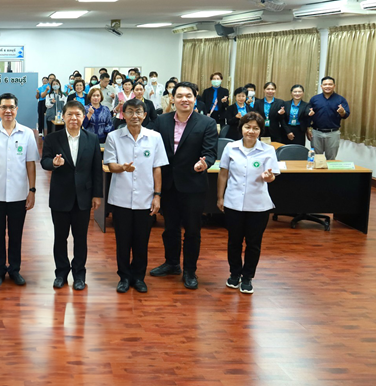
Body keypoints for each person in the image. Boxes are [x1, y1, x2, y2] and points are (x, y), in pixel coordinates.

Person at [150, 82, 218, 290]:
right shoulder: (161, 121)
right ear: (172, 99)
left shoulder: (207, 123)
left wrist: (204, 163)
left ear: (195, 99)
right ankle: (172, 263)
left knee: (192, 230)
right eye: (179, 96)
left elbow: (210, 152)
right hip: (168, 184)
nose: (184, 99)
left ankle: (190, 270)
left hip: (193, 185)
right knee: (170, 228)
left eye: (188, 96)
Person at [103, 98, 168, 293]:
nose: (134, 116)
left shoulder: (154, 137)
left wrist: (157, 195)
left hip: (145, 198)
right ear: (123, 114)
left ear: (145, 115)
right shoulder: (113, 137)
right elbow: (110, 165)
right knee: (122, 241)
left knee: (141, 241)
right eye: (130, 111)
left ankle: (139, 277)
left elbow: (157, 168)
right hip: (120, 198)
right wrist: (122, 167)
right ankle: (124, 277)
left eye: (138, 112)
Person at [40, 100, 103, 291]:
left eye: (78, 114)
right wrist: (54, 163)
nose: (74, 118)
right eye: (70, 114)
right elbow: (44, 161)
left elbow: (96, 169)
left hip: (83, 197)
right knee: (60, 238)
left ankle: (79, 274)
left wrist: (97, 195)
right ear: (63, 116)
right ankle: (61, 274)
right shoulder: (52, 138)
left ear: (83, 117)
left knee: (80, 238)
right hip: (60, 196)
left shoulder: (92, 139)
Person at [216, 112, 279, 294]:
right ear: (241, 128)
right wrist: (220, 197)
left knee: (253, 243)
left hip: (258, 204)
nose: (251, 131)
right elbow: (223, 173)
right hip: (233, 202)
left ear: (260, 131)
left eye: (255, 128)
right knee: (234, 241)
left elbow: (272, 177)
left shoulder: (268, 150)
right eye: (247, 127)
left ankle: (247, 277)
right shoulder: (231, 147)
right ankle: (234, 274)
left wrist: (268, 177)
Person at [0, 93, 39, 287]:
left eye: (11, 107)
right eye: (4, 107)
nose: (8, 111)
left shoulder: (27, 133)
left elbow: (30, 163)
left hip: (18, 194)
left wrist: (32, 190)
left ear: (16, 109)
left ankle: (15, 269)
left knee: (16, 234)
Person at [309, 76, 350, 160]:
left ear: (334, 86)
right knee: (316, 158)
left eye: (330, 84)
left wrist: (342, 112)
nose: (327, 86)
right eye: (325, 84)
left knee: (331, 159)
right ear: (321, 86)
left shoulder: (340, 99)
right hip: (316, 133)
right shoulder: (314, 99)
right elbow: (308, 114)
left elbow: (346, 115)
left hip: (333, 133)